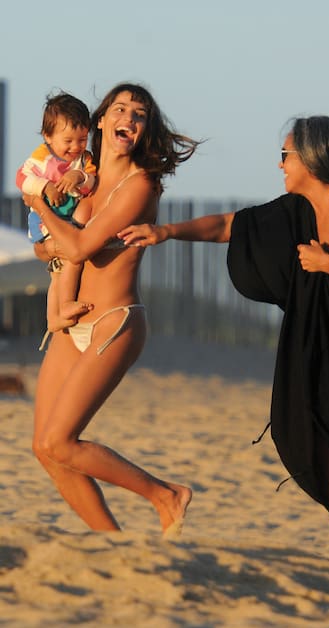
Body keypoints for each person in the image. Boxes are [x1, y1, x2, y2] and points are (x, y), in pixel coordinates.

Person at [117, 115, 329, 570]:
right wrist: (165, 233)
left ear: (313, 157)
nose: (279, 164)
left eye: (285, 155)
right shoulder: (296, 211)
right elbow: (230, 226)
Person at [24, 82, 198, 534]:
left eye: (139, 114)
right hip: (71, 324)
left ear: (144, 130)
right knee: (45, 448)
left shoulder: (140, 184)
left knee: (62, 441)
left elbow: (78, 245)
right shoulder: (80, 175)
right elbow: (52, 250)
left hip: (113, 322)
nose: (129, 117)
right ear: (101, 120)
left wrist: (36, 204)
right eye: (120, 109)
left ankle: (166, 495)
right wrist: (48, 241)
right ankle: (112, 542)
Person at [16, 92, 97, 336]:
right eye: (68, 140)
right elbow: (22, 179)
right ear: (48, 136)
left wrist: (79, 176)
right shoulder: (42, 157)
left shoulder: (84, 159)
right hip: (45, 220)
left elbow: (91, 182)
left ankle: (54, 317)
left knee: (58, 271)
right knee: (69, 259)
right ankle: (62, 307)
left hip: (66, 219)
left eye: (82, 139)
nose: (76, 147)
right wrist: (45, 187)